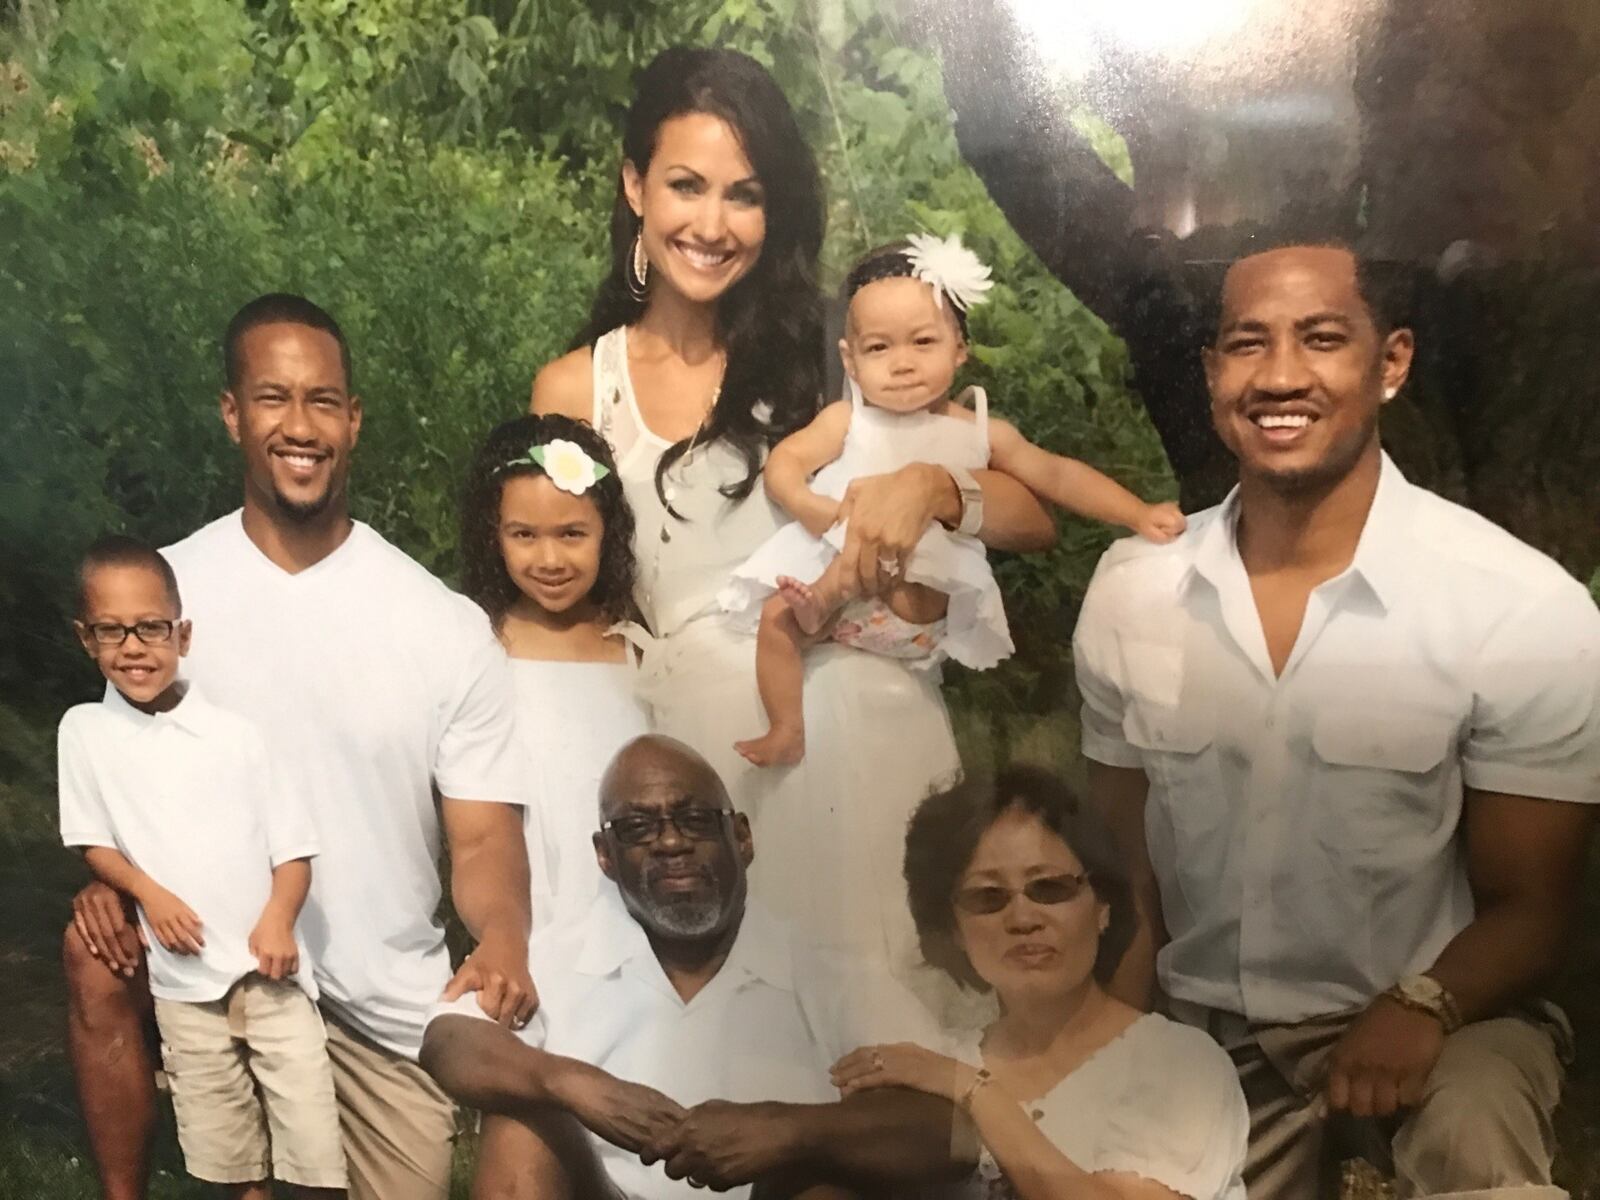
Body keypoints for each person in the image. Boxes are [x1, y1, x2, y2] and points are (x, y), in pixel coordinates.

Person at [1072, 241, 1600, 1197]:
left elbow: (1534, 908)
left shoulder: (1518, 607)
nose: (1280, 377)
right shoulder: (1135, 591)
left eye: (1321, 340)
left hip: (1441, 1021)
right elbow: (1123, 879)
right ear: (1211, 374)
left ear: (1389, 362)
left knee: (1474, 1149)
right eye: (1246, 345)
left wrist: (1423, 1005)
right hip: (1200, 1033)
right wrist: (1112, 1060)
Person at [531, 46, 1055, 979]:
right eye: (686, 185)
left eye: (746, 194)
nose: (712, 223)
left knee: (884, 1020)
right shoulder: (579, 390)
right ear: (634, 187)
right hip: (695, 753)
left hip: (867, 721)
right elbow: (557, 590)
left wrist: (936, 489)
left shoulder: (838, 351)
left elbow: (1027, 514)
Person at [63, 293, 535, 1200]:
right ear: (232, 414)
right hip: (221, 971)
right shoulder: (164, 599)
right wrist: (105, 882)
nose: (300, 425)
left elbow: (480, 840)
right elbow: (124, 780)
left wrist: (504, 935)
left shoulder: (440, 625)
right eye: (272, 398)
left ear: (353, 422)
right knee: (92, 941)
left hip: (379, 1003)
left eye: (323, 401)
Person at [421, 734, 974, 1200]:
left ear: (742, 837)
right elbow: (448, 1039)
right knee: (521, 1125)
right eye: (637, 828)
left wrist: (791, 1131)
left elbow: (953, 1132)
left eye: (694, 821)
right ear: (605, 856)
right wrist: (576, 1085)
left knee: (819, 1176)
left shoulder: (828, 972)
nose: (670, 843)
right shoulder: (563, 957)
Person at [721, 235, 1185, 766]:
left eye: (923, 342)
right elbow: (785, 463)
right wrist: (808, 506)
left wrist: (1138, 513)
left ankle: (827, 599)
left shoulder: (980, 432)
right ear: (849, 361)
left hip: (915, 612)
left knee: (908, 567)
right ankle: (786, 728)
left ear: (960, 347)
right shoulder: (848, 420)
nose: (902, 363)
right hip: (841, 619)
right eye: (879, 348)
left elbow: (1056, 474)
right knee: (777, 620)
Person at [59, 536, 344, 1198]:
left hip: (268, 974)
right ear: (86, 639)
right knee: (228, 1155)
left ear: (182, 634)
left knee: (312, 1151)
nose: (134, 647)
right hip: (185, 988)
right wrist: (148, 893)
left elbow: (293, 849)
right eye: (112, 631)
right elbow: (92, 841)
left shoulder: (238, 736)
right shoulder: (84, 733)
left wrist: (278, 919)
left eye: (151, 628)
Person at [834, 766, 1248, 1200]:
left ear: (1102, 906)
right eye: (988, 897)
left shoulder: (1178, 1065)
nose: (1023, 919)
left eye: (1050, 888)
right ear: (952, 927)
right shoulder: (937, 1061)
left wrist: (973, 1090)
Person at [459, 412, 650, 929]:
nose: (549, 558)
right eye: (524, 534)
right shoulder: (477, 645)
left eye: (572, 534)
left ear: (606, 532)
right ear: (493, 535)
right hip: (523, 911)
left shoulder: (637, 648)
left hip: (631, 911)